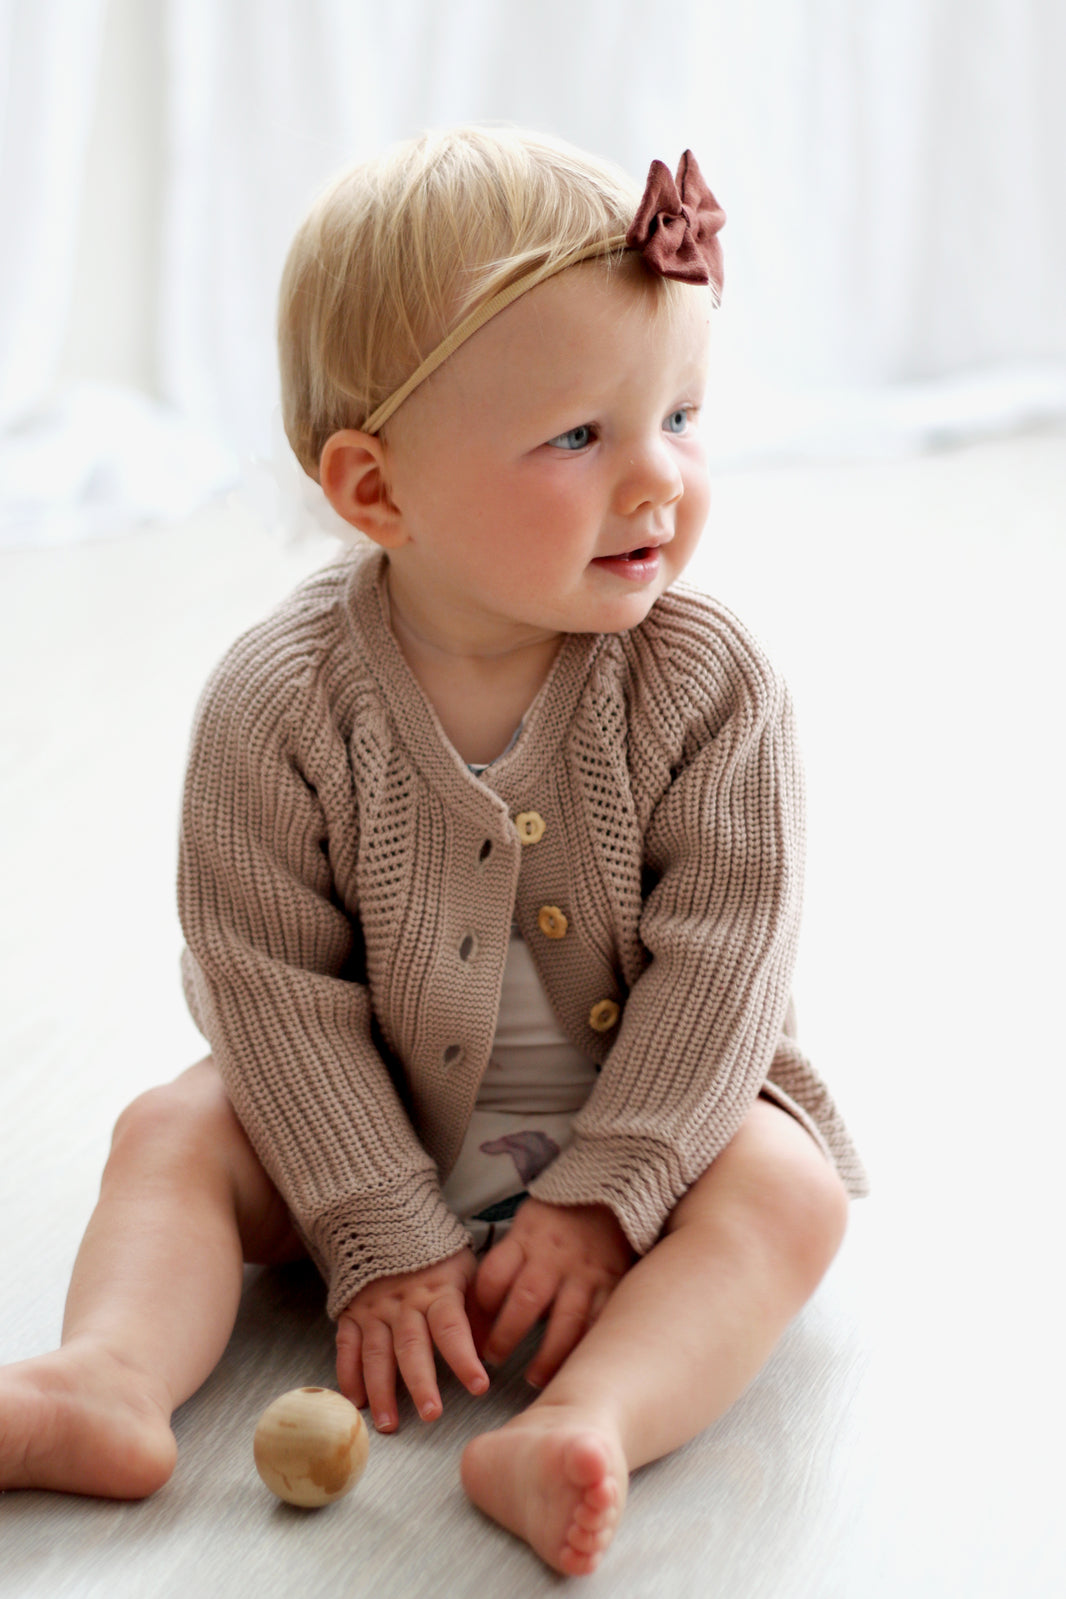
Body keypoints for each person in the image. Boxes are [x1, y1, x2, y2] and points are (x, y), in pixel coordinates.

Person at [0, 127, 866, 1577]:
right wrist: (374, 1221)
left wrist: (610, 1190)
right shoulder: (279, 704)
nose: (655, 481)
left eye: (681, 417)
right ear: (376, 490)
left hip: (649, 1121)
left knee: (786, 1193)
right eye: (581, 437)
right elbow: (267, 981)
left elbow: (727, 959)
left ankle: (581, 1421)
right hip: (374, 1113)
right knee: (174, 1132)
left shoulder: (710, 684)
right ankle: (110, 1381)